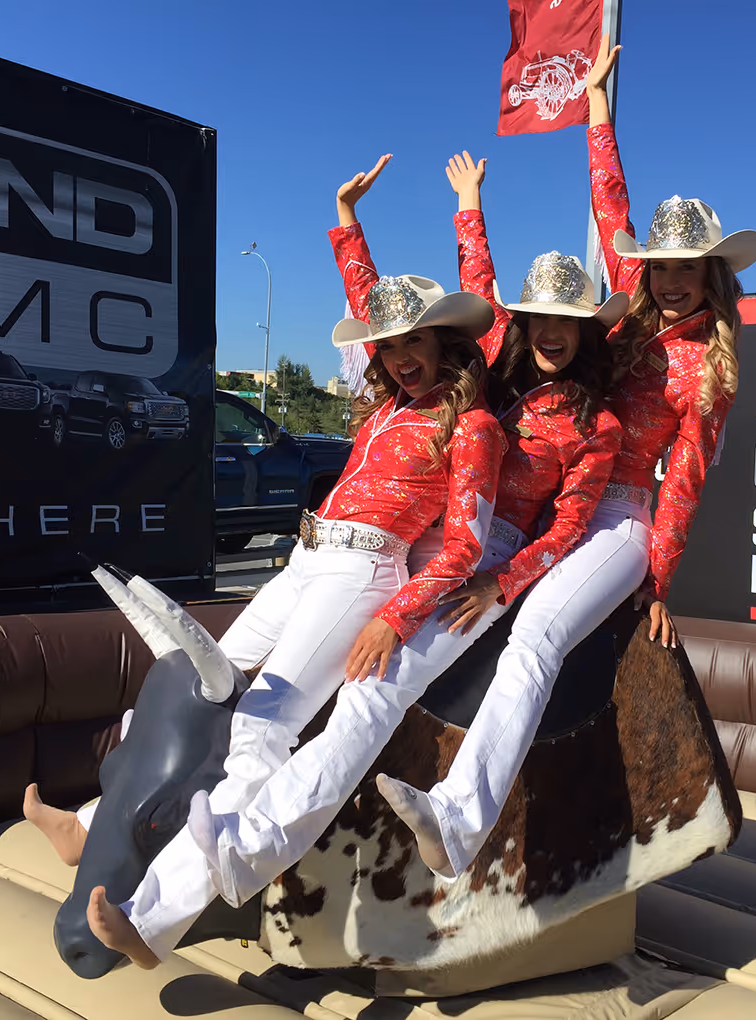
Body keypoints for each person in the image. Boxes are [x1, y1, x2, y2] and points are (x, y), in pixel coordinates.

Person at [158, 152, 626, 930]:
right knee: (312, 688)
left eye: (566, 321)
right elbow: (402, 317)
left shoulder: (596, 426)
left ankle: (255, 845)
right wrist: (387, 220)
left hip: (476, 557)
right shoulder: (496, 376)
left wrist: (500, 582)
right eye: (538, 317)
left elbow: (572, 525)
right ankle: (209, 853)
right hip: (409, 545)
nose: (549, 331)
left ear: (587, 331)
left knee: (369, 697)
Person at [29, 268, 505, 967]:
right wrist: (345, 223)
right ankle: (90, 824)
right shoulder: (384, 413)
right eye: (387, 344)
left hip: (364, 573)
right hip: (308, 559)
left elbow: (464, 546)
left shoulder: (474, 425)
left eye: (415, 340)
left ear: (445, 343)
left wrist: (397, 619)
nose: (399, 355)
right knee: (188, 686)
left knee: (260, 724)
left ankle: (153, 919)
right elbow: (361, 293)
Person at [380, 34, 756, 880]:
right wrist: (596, 108)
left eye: (684, 269)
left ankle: (461, 813)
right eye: (657, 266)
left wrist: (657, 578)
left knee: (541, 633)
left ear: (709, 274)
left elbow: (685, 479)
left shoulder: (712, 368)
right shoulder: (616, 319)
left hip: (621, 517)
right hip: (558, 511)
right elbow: (606, 209)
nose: (667, 280)